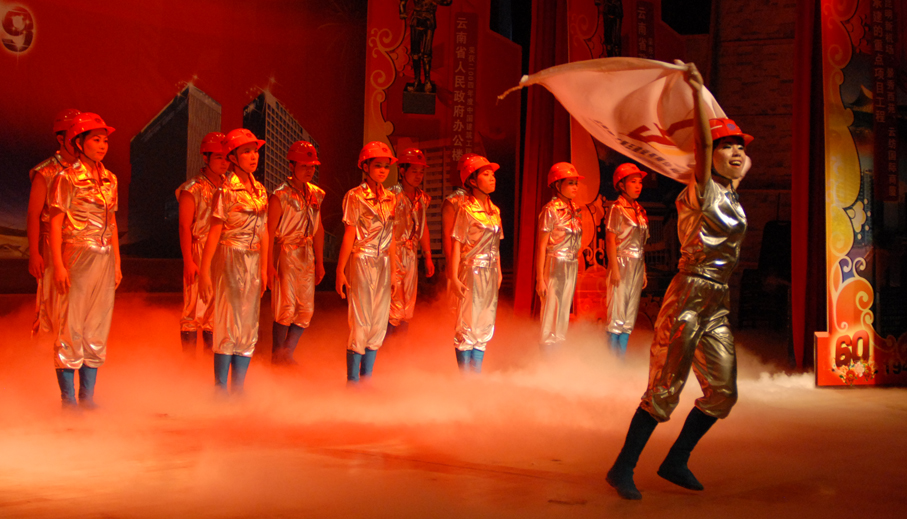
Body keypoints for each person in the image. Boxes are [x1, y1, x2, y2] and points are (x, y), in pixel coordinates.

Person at [606, 62, 753, 500]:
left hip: (717, 301)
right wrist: (696, 91)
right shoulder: (701, 189)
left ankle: (676, 460)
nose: (736, 153)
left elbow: (737, 161)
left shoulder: (732, 194)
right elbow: (704, 146)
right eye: (727, 147)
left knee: (723, 392)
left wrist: (735, 153)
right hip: (689, 292)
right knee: (664, 391)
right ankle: (622, 467)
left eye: (740, 148)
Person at [48, 113, 121, 409]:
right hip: (76, 255)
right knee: (71, 325)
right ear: (78, 143)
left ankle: (87, 398)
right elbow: (55, 223)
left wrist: (117, 264)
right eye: (96, 140)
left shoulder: (110, 179)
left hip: (104, 257)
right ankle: (68, 401)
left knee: (98, 325)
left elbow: (112, 222)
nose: (102, 145)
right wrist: (58, 265)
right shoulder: (65, 177)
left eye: (105, 140)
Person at [199, 129, 269, 395]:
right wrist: (205, 272)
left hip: (253, 259)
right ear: (232, 157)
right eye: (246, 151)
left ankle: (238, 389)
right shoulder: (225, 190)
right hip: (230, 256)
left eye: (255, 151)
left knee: (248, 324)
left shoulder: (260, 189)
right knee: (228, 321)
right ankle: (220, 389)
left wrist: (264, 268)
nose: (253, 156)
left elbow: (264, 231)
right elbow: (214, 232)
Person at [335, 141, 397, 383]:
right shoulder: (355, 196)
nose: (383, 170)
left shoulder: (390, 198)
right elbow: (349, 234)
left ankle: (367, 378)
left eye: (386, 166)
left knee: (379, 320)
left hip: (383, 263)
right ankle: (353, 380)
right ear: (365, 166)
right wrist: (340, 270)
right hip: (362, 260)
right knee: (361, 319)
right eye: (378, 165)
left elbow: (391, 237)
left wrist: (394, 271)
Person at [268, 141, 325, 365]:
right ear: (291, 166)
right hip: (286, 252)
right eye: (304, 166)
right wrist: (268, 264)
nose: (309, 170)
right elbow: (269, 231)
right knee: (285, 307)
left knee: (305, 310)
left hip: (306, 254)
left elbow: (318, 229)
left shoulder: (316, 194)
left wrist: (320, 262)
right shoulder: (280, 195)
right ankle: (277, 357)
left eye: (312, 166)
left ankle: (286, 353)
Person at [27, 109, 79, 336]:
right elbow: (33, 214)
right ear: (61, 138)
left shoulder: (89, 170)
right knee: (51, 298)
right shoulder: (46, 171)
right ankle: (44, 348)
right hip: (52, 244)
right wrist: (34, 253)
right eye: (74, 136)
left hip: (80, 245)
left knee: (77, 300)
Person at [449, 154, 502, 373]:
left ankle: (476, 376)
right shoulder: (465, 209)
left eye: (493, 174)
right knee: (467, 323)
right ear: (472, 180)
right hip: (471, 270)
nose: (492, 178)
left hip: (490, 271)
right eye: (486, 174)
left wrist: (499, 271)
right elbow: (457, 244)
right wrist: (454, 277)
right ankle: (465, 378)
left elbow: (496, 245)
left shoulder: (495, 211)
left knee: (485, 322)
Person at [176, 132, 227, 356]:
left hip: (222, 250)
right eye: (218, 157)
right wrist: (188, 260)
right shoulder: (192, 188)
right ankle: (189, 363)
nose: (224, 162)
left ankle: (210, 360)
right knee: (193, 306)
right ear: (206, 158)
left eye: (227, 157)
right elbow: (184, 226)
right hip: (199, 248)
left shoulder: (229, 187)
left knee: (215, 309)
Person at [536, 162, 583, 354]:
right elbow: (541, 246)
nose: (575, 187)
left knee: (564, 311)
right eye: (570, 183)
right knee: (551, 311)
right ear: (557, 185)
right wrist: (540, 278)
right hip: (555, 263)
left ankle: (558, 354)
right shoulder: (550, 210)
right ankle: (547, 355)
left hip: (571, 263)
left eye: (576, 183)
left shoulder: (575, 210)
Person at [388, 147, 435, 335]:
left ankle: (402, 346)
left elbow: (424, 227)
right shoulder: (390, 196)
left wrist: (428, 256)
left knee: (408, 303)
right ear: (402, 170)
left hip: (411, 254)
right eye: (414, 171)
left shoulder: (422, 199)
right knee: (393, 301)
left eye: (421, 172)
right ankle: (388, 345)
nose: (418, 176)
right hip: (393, 252)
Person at [604, 163, 649, 357]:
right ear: (621, 185)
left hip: (637, 264)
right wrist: (614, 269)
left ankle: (620, 356)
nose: (638, 186)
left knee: (630, 312)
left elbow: (641, 244)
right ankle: (611, 358)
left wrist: (643, 270)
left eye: (640, 182)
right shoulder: (617, 208)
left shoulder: (640, 210)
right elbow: (610, 239)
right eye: (633, 182)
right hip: (621, 261)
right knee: (617, 311)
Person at [440, 154, 472, 311]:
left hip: (477, 262)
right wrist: (451, 264)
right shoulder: (453, 201)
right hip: (459, 261)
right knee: (456, 305)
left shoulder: (482, 201)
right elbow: (447, 235)